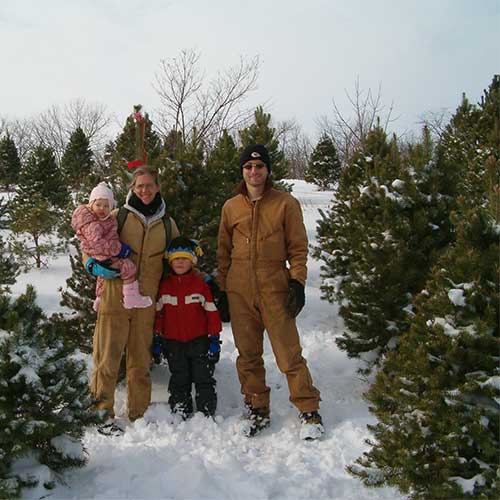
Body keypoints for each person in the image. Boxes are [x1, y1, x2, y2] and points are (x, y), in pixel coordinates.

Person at [216, 144, 324, 440]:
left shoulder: (285, 203)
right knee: (248, 355)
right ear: (242, 171)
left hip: (274, 286)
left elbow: (298, 248)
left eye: (259, 166)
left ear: (267, 170)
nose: (254, 172)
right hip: (239, 290)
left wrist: (297, 282)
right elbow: (223, 252)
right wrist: (223, 290)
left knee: (288, 354)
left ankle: (308, 409)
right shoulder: (231, 207)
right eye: (248, 167)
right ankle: (257, 407)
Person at [84, 166, 179, 436]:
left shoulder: (167, 223)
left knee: (140, 360)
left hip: (146, 299)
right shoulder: (118, 216)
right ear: (132, 188)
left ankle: (139, 412)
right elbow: (90, 245)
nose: (145, 190)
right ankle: (101, 413)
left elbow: (178, 256)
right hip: (115, 296)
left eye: (149, 185)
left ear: (158, 187)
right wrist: (92, 265)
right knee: (107, 357)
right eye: (139, 186)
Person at [154, 236, 222, 418]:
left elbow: (211, 313)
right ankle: (180, 408)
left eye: (185, 259)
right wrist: (158, 338)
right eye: (176, 259)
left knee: (203, 376)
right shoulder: (164, 286)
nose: (180, 262)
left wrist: (214, 339)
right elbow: (159, 314)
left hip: (199, 340)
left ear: (192, 262)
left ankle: (206, 409)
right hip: (173, 342)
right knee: (179, 376)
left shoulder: (200, 285)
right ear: (170, 262)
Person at [71, 182, 153, 312]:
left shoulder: (106, 219)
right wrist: (119, 249)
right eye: (98, 205)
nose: (102, 209)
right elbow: (96, 244)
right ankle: (131, 298)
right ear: (91, 205)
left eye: (106, 206)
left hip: (103, 257)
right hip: (105, 256)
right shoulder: (95, 223)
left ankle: (99, 298)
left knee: (102, 277)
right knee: (129, 268)